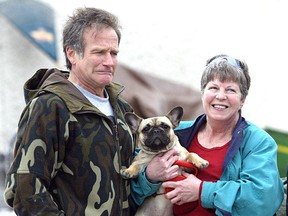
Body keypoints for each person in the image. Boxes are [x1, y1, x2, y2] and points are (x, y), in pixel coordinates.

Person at [3, 7, 173, 215]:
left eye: (114, 53)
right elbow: (25, 191)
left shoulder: (122, 109)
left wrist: (149, 178)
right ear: (72, 53)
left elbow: (127, 185)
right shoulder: (50, 107)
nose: (109, 62)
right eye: (99, 52)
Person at [160, 54, 285, 215]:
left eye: (231, 90)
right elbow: (134, 186)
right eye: (213, 88)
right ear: (203, 93)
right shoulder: (176, 133)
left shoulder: (259, 142)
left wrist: (201, 190)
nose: (220, 96)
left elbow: (261, 199)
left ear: (242, 100)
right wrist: (148, 176)